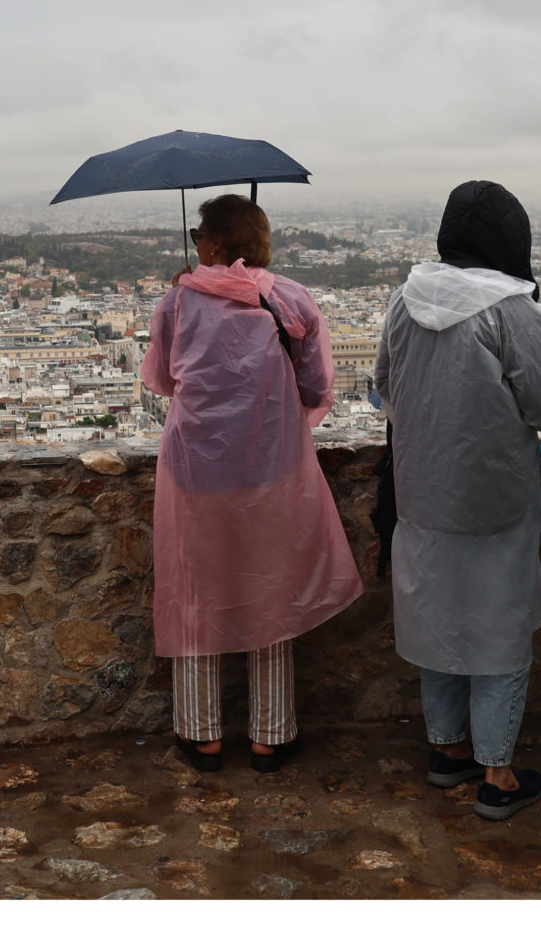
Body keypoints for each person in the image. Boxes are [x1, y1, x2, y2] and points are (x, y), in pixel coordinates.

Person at [374, 181, 541, 821]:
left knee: (436, 618)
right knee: (498, 628)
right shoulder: (511, 310)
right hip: (494, 499)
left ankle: (447, 750)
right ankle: (498, 773)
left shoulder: (404, 301)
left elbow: (384, 386)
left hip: (422, 493)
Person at [139, 194, 363, 773]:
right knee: (272, 586)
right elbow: (316, 384)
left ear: (215, 242)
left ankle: (202, 734)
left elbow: (161, 379)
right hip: (272, 466)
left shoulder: (177, 302)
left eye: (200, 236)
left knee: (196, 590)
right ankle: (271, 734)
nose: (196, 244)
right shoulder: (289, 299)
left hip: (196, 469)